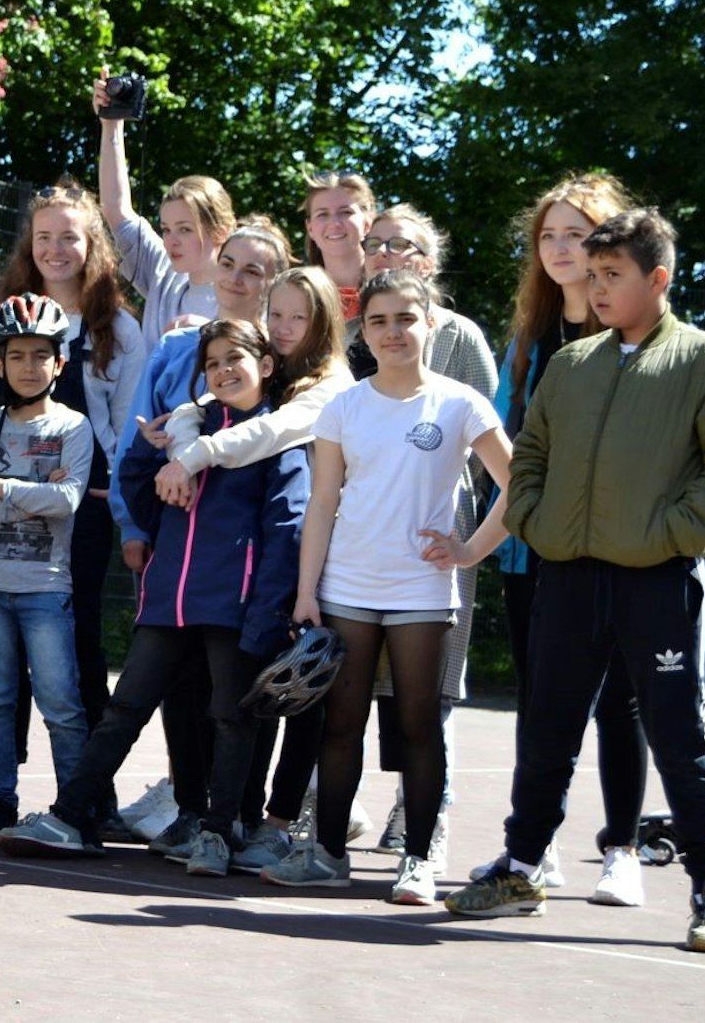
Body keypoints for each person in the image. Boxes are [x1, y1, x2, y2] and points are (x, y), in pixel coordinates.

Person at [447, 208, 705, 955]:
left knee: (678, 734)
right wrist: (534, 518)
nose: (593, 289)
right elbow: (529, 456)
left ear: (657, 279)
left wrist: (668, 537)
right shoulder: (571, 365)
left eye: (611, 276)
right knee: (545, 727)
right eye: (589, 276)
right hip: (565, 577)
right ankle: (520, 868)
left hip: (656, 581)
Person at [0, 319, 309, 873]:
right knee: (124, 709)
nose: (222, 370)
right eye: (212, 363)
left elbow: (287, 528)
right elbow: (141, 500)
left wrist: (267, 611)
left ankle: (218, 832)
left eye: (234, 358)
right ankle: (69, 815)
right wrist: (148, 453)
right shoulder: (184, 432)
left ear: (265, 365)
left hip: (234, 608)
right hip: (168, 600)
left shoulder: (277, 438)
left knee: (230, 718)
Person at [261, 268, 512, 906]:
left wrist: (469, 550)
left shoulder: (461, 403)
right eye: (378, 321)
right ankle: (326, 854)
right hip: (346, 588)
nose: (393, 331)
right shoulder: (345, 405)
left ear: (431, 322)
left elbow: (521, 487)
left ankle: (419, 861)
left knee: (418, 725)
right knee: (339, 726)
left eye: (406, 318)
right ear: (362, 331)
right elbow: (321, 505)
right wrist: (307, 591)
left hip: (422, 594)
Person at [148, 266, 352, 874]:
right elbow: (198, 404)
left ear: (323, 322)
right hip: (277, 556)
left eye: (299, 316)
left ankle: (280, 822)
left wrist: (194, 450)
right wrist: (187, 426)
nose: (286, 327)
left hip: (329, 549)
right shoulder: (276, 371)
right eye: (277, 314)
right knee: (259, 693)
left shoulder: (330, 383)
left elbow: (269, 434)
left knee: (304, 697)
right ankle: (236, 815)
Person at [479, 172, 648, 904]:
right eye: (546, 235)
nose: (557, 248)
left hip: (615, 549)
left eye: (573, 234)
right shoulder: (526, 340)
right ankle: (532, 849)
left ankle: (622, 850)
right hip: (532, 550)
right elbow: (508, 453)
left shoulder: (634, 338)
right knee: (542, 701)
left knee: (619, 700)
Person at [351, 205, 498, 866]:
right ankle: (318, 814)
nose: (385, 253)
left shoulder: (458, 337)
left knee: (427, 687)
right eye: (374, 243)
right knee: (347, 683)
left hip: (432, 535)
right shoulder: (353, 333)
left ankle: (422, 821)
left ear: (428, 264)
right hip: (356, 538)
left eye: (402, 246)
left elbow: (480, 444)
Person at [0, 177, 144, 730]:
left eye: (69, 237)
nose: (55, 249)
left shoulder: (117, 327)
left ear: (92, 245)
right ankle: (1, 788)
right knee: (4, 658)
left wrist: (114, 486)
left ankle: (87, 792)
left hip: (79, 505)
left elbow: (126, 425)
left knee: (80, 640)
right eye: (44, 236)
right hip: (0, 506)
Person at [0, 296, 96, 846]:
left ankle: (75, 808)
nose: (29, 366)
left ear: (60, 364)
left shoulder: (74, 427)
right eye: (17, 356)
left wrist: (4, 488)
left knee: (61, 700)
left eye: (41, 355)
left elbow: (67, 500)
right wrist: (34, 495)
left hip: (44, 587)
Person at [93, 78, 235, 348]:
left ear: (221, 231)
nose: (171, 241)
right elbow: (115, 208)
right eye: (166, 229)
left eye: (185, 229)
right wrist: (111, 125)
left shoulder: (246, 294)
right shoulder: (163, 271)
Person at [301, 170, 377, 320]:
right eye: (322, 214)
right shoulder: (300, 296)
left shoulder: (394, 287)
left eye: (345, 212)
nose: (334, 223)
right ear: (310, 228)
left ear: (367, 223)